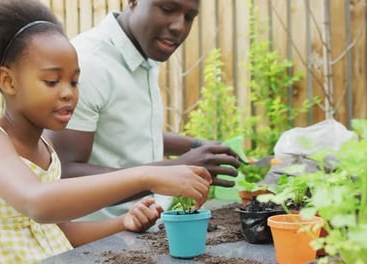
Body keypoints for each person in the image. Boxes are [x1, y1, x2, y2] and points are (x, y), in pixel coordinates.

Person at [0, 0, 212, 262]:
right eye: (52, 81)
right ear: (8, 81)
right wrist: (146, 176)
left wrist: (123, 222)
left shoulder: (45, 150)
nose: (68, 93)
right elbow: (37, 202)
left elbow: (56, 231)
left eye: (74, 82)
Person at [43, 0, 242, 219]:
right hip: (99, 239)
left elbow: (127, 131)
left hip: (147, 227)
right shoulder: (89, 64)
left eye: (189, 17)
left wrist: (195, 146)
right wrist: (176, 167)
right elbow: (64, 173)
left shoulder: (141, 51)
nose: (179, 27)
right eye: (167, 9)